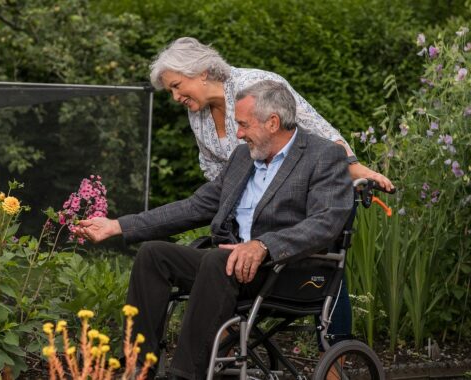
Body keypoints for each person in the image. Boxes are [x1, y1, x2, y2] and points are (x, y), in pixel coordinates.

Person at [76, 81, 354, 379]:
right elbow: (194, 207)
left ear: (273, 123)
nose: (238, 134)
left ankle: (184, 374)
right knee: (153, 256)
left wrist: (263, 245)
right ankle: (138, 366)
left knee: (217, 259)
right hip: (232, 266)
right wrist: (117, 225)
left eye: (244, 125)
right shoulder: (243, 157)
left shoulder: (322, 156)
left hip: (287, 269)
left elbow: (326, 222)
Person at [149, 36, 394, 191]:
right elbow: (211, 164)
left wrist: (351, 166)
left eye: (176, 86)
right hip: (245, 206)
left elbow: (316, 127)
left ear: (201, 71)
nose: (175, 97)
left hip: (288, 195)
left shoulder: (256, 84)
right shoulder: (197, 113)